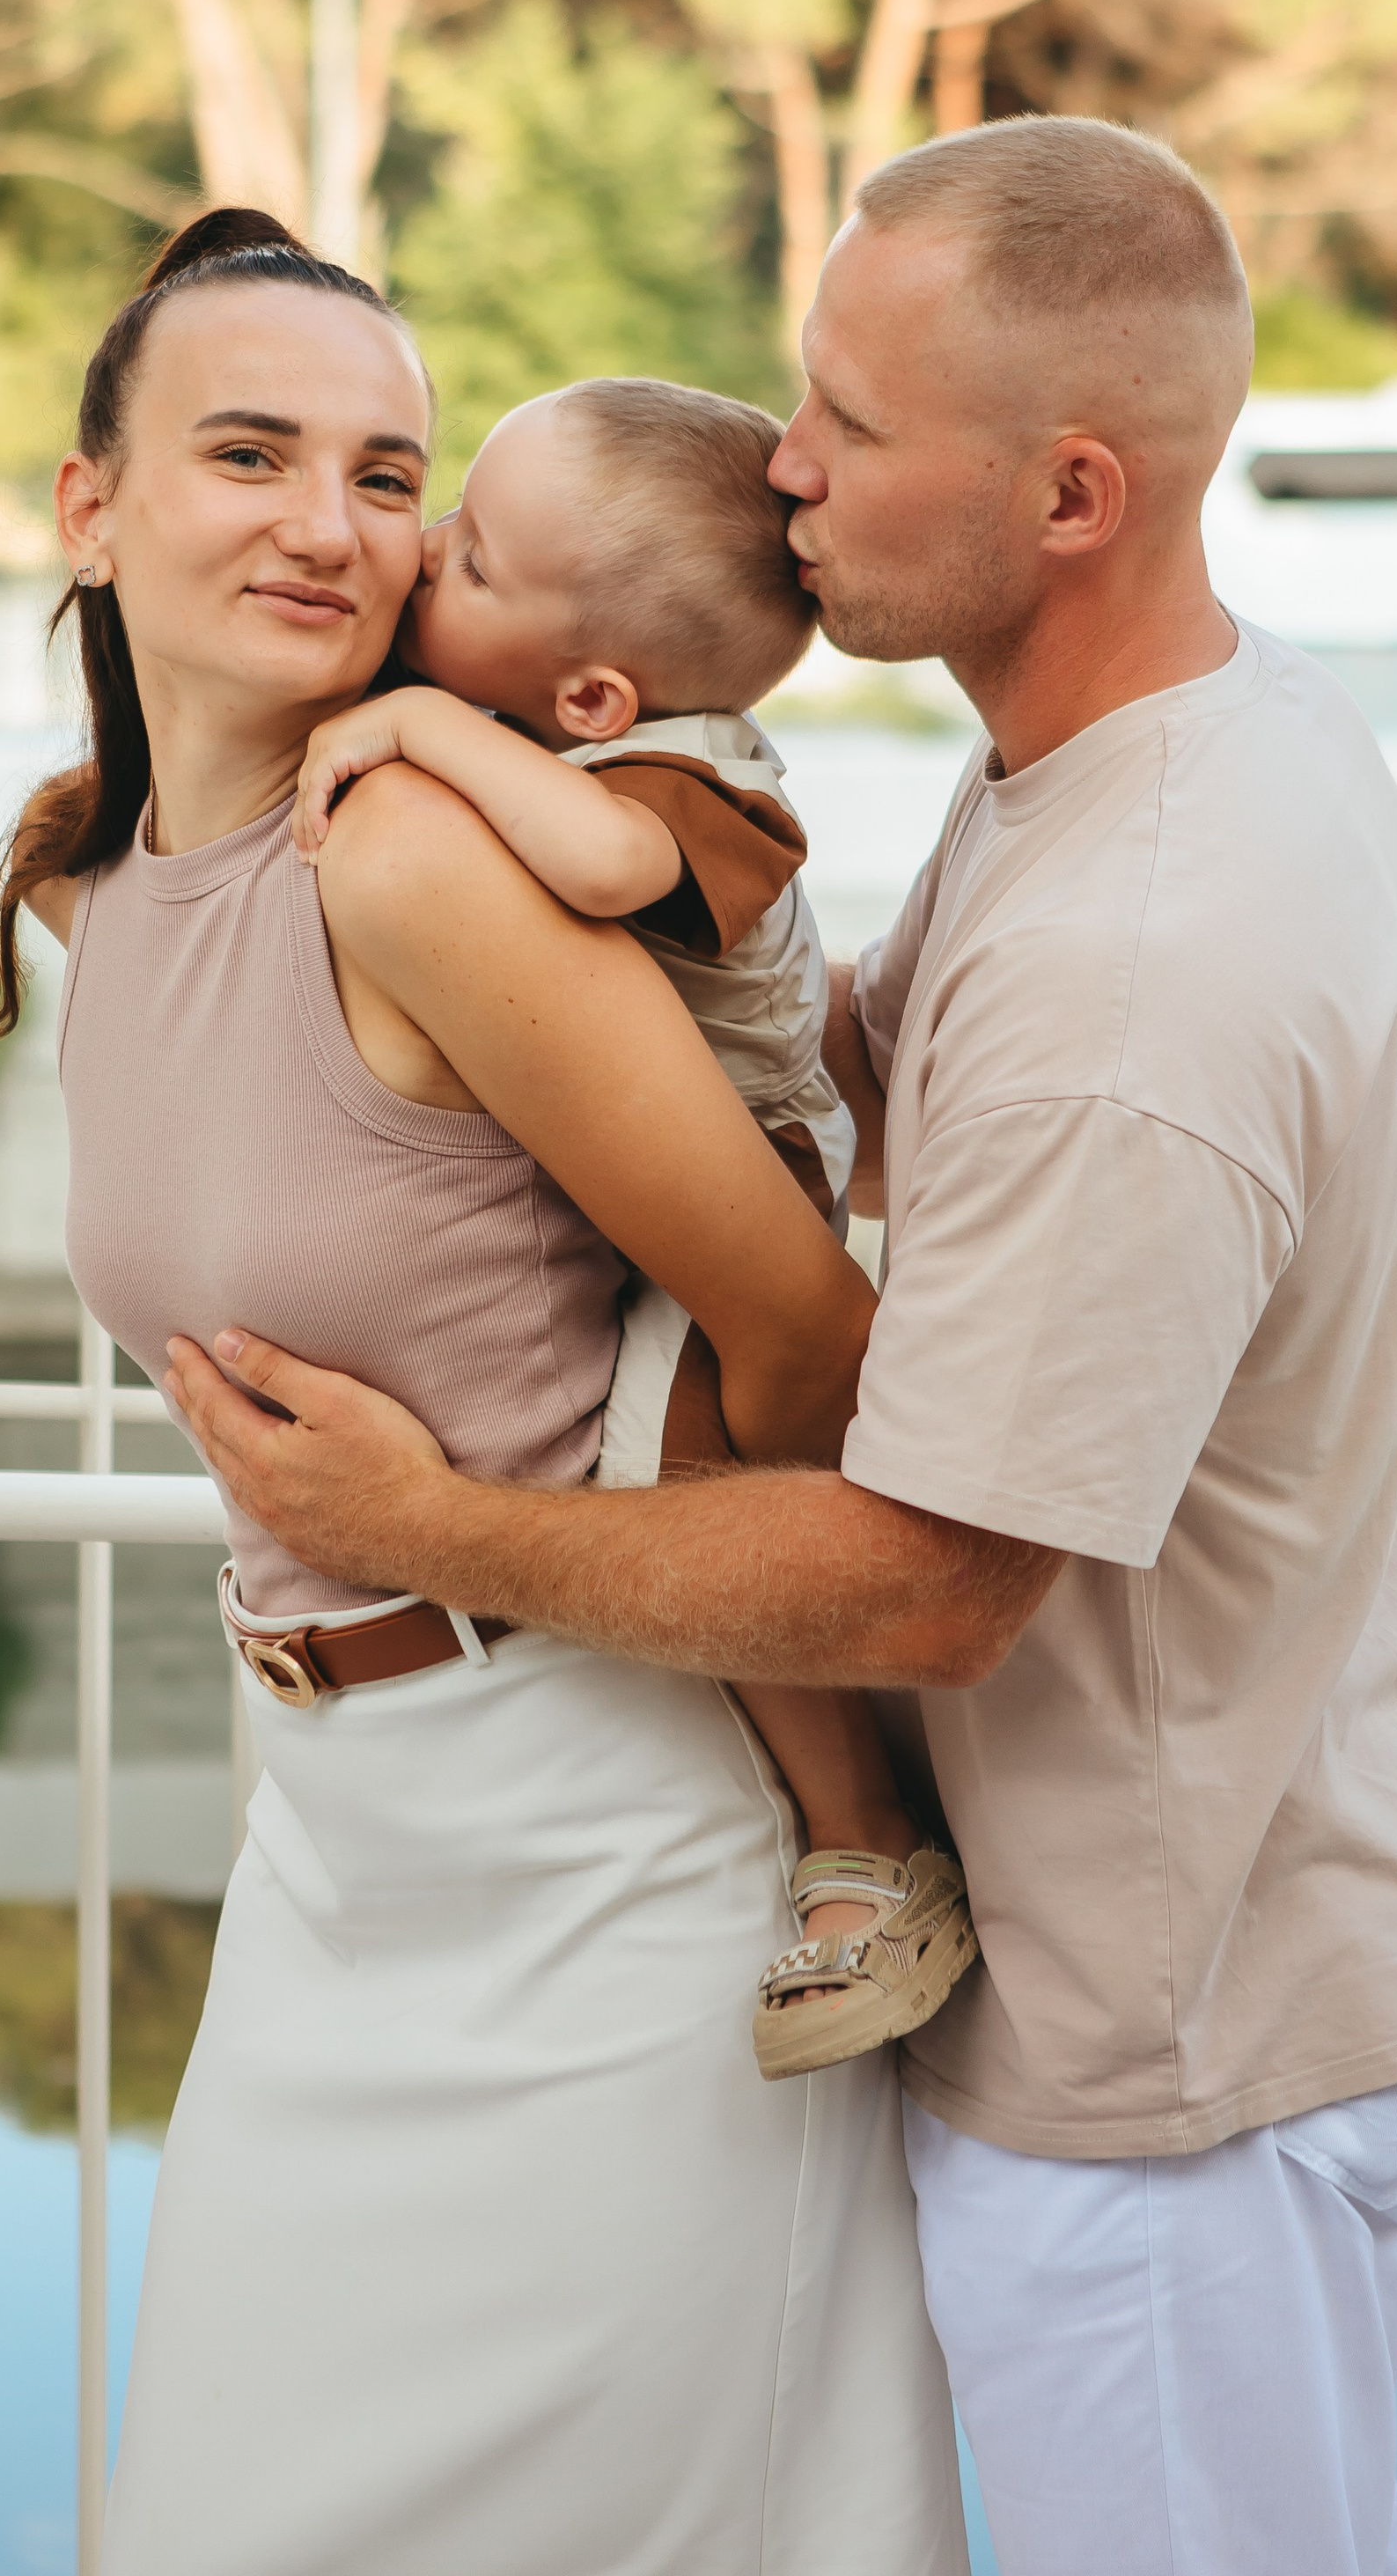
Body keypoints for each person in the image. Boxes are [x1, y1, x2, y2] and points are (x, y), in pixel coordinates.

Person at [165, 119, 1397, 2576]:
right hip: (1226, 1944)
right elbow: (869, 1087)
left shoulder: (1147, 956)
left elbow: (934, 1587)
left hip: (1168, 2055)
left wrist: (436, 1531)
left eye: (853, 427)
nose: (783, 471)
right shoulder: (1145, 757)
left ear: (1071, 491)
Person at [0, 207, 967, 2576]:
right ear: (91, 505)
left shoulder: (419, 857)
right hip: (342, 1854)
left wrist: (462, 1536)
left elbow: (808, 1332)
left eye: (385, 469)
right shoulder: (89, 889)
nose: (331, 524)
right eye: (248, 452)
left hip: (609, 1850)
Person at [290, 371, 975, 2077]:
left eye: (469, 553)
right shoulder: (570, 731)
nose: (424, 551)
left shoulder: (692, 779)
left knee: (696, 1493)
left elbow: (600, 872)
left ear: (591, 691)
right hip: (668, 1156)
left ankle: (869, 1850)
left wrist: (425, 727)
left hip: (763, 1177)